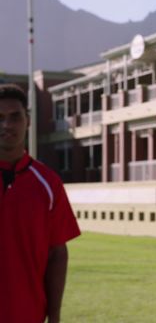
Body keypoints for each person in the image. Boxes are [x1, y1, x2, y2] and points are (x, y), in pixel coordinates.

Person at [0, 84, 81, 323]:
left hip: (28, 314)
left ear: (28, 120)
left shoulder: (48, 183)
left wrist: (54, 315)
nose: (7, 125)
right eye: (0, 118)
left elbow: (58, 252)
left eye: (15, 117)